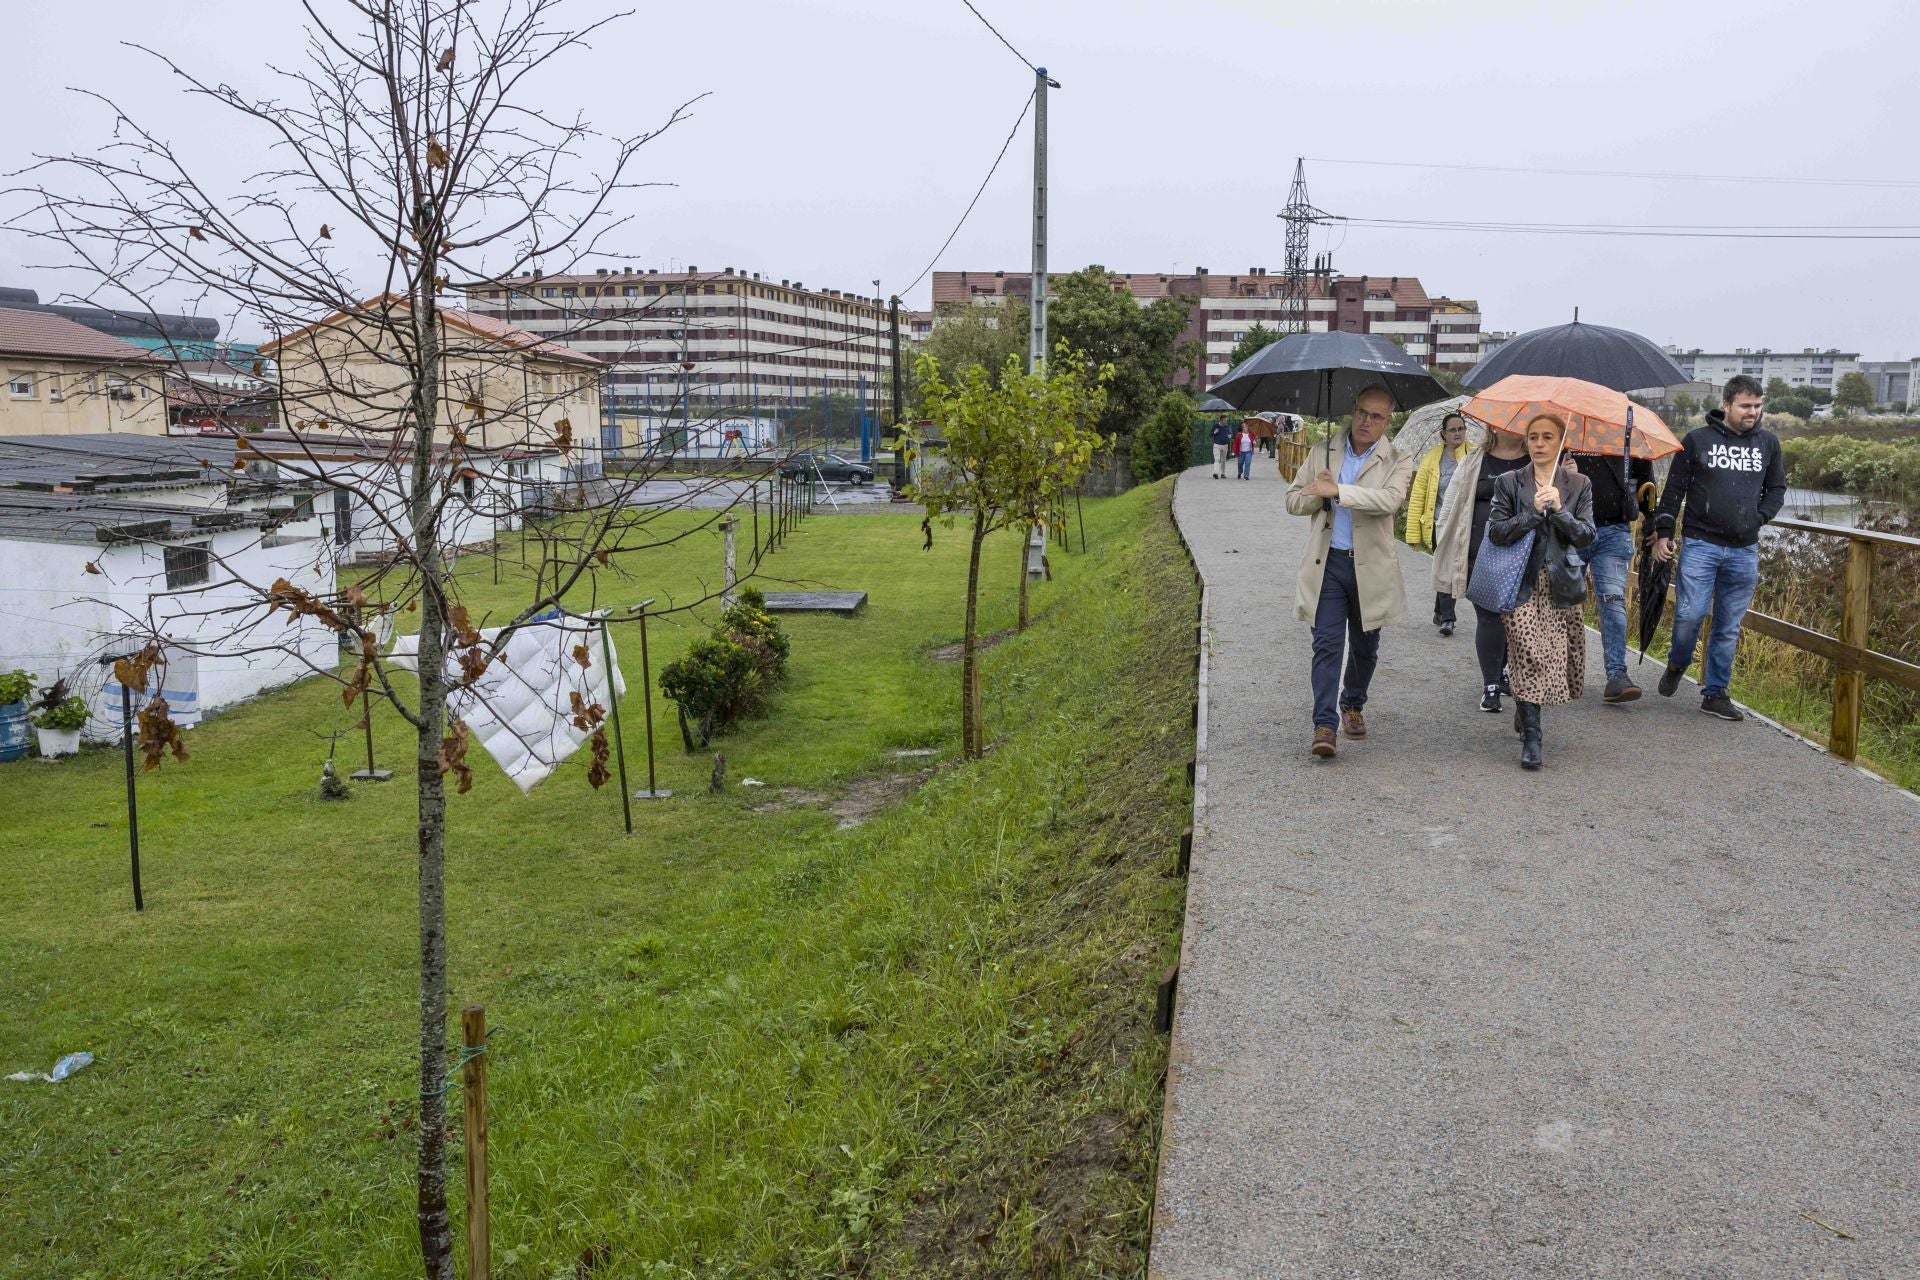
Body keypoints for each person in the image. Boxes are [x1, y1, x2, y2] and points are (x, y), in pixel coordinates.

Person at [1285, 385, 1417, 759]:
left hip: (1370, 569)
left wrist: (1339, 490)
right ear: (1352, 411)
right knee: (1326, 645)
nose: (1366, 421)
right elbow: (1293, 500)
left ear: (1387, 422)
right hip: (1327, 564)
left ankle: (1353, 702)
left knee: (1364, 647)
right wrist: (1317, 493)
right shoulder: (1322, 451)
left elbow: (1388, 501)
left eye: (1376, 417)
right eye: (1362, 412)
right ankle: (1324, 725)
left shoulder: (1399, 459)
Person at [1652, 374, 1787, 721]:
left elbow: (1776, 489)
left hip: (1744, 549)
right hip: (1700, 544)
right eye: (1745, 405)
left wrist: (1759, 518)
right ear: (1726, 405)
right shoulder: (1698, 441)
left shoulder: (1768, 444)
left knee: (1728, 625)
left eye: (1758, 406)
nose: (1753, 412)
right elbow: (1674, 490)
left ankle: (1715, 693)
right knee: (1689, 614)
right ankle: (1678, 661)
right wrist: (1664, 532)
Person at [1488, 414, 1596, 770]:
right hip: (1520, 580)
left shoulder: (1578, 483)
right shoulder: (1508, 481)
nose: (1538, 443)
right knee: (1527, 652)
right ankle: (1533, 737)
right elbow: (1497, 532)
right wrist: (1533, 513)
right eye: (1533, 436)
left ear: (1561, 441)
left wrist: (1560, 511)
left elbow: (1586, 536)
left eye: (1547, 437)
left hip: (1561, 582)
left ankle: (1525, 708)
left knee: (1557, 657)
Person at [1431, 421, 1529, 713]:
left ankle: (1502, 671)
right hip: (1478, 552)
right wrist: (1443, 536)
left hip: (1521, 554)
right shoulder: (1475, 460)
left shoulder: (1537, 461)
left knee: (1513, 620)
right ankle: (1491, 685)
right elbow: (1450, 504)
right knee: (1489, 617)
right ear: (1493, 426)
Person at [1573, 445, 1655, 702]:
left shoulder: (1628, 434)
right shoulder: (1566, 427)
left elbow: (1646, 482)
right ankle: (1554, 668)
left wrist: (1651, 519)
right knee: (1560, 600)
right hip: (1569, 528)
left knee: (1613, 601)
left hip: (1613, 529)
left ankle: (1617, 675)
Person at [1406, 412, 1472, 635]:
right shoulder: (1432, 458)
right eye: (1452, 430)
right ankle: (1448, 618)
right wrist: (1413, 533)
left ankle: (1439, 612)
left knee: (1448, 568)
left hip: (1463, 524)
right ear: (1443, 434)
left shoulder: (1473, 455)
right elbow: (1418, 496)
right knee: (1449, 569)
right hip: (1437, 524)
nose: (1457, 433)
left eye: (1461, 429)